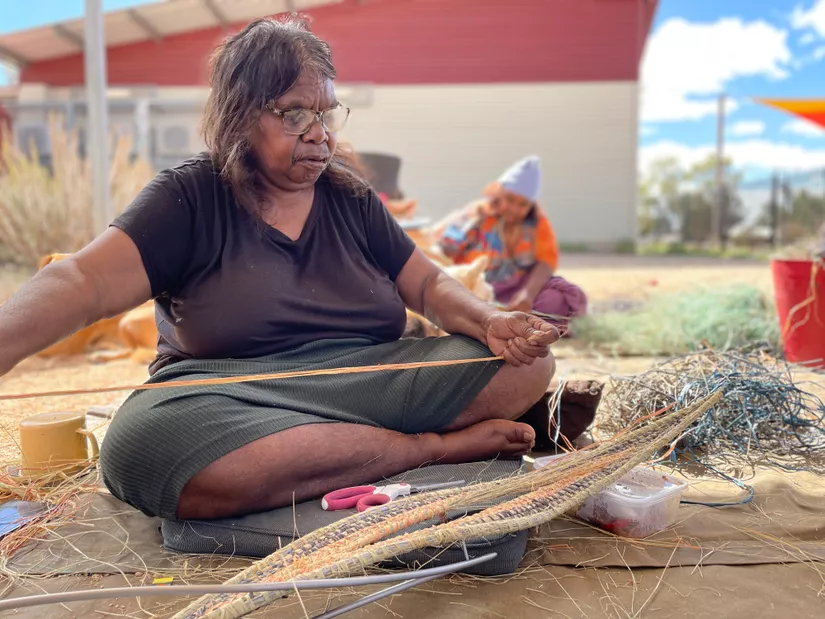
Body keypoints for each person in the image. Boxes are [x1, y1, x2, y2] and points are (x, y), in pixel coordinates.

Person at [0, 16, 560, 521]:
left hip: (368, 379)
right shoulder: (188, 197)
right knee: (140, 444)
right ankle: (428, 450)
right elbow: (85, 279)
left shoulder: (352, 197)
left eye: (325, 113)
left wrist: (489, 321)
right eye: (294, 114)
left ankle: (340, 453)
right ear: (241, 114)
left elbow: (429, 284)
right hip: (233, 397)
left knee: (525, 368)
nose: (319, 133)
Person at [433, 156, 587, 327]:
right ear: (499, 194)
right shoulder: (477, 214)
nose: (514, 209)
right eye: (510, 200)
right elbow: (443, 251)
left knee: (556, 298)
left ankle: (516, 324)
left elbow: (546, 261)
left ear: (530, 206)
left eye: (522, 204)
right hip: (476, 290)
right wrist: (465, 231)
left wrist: (527, 294)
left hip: (516, 293)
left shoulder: (537, 223)